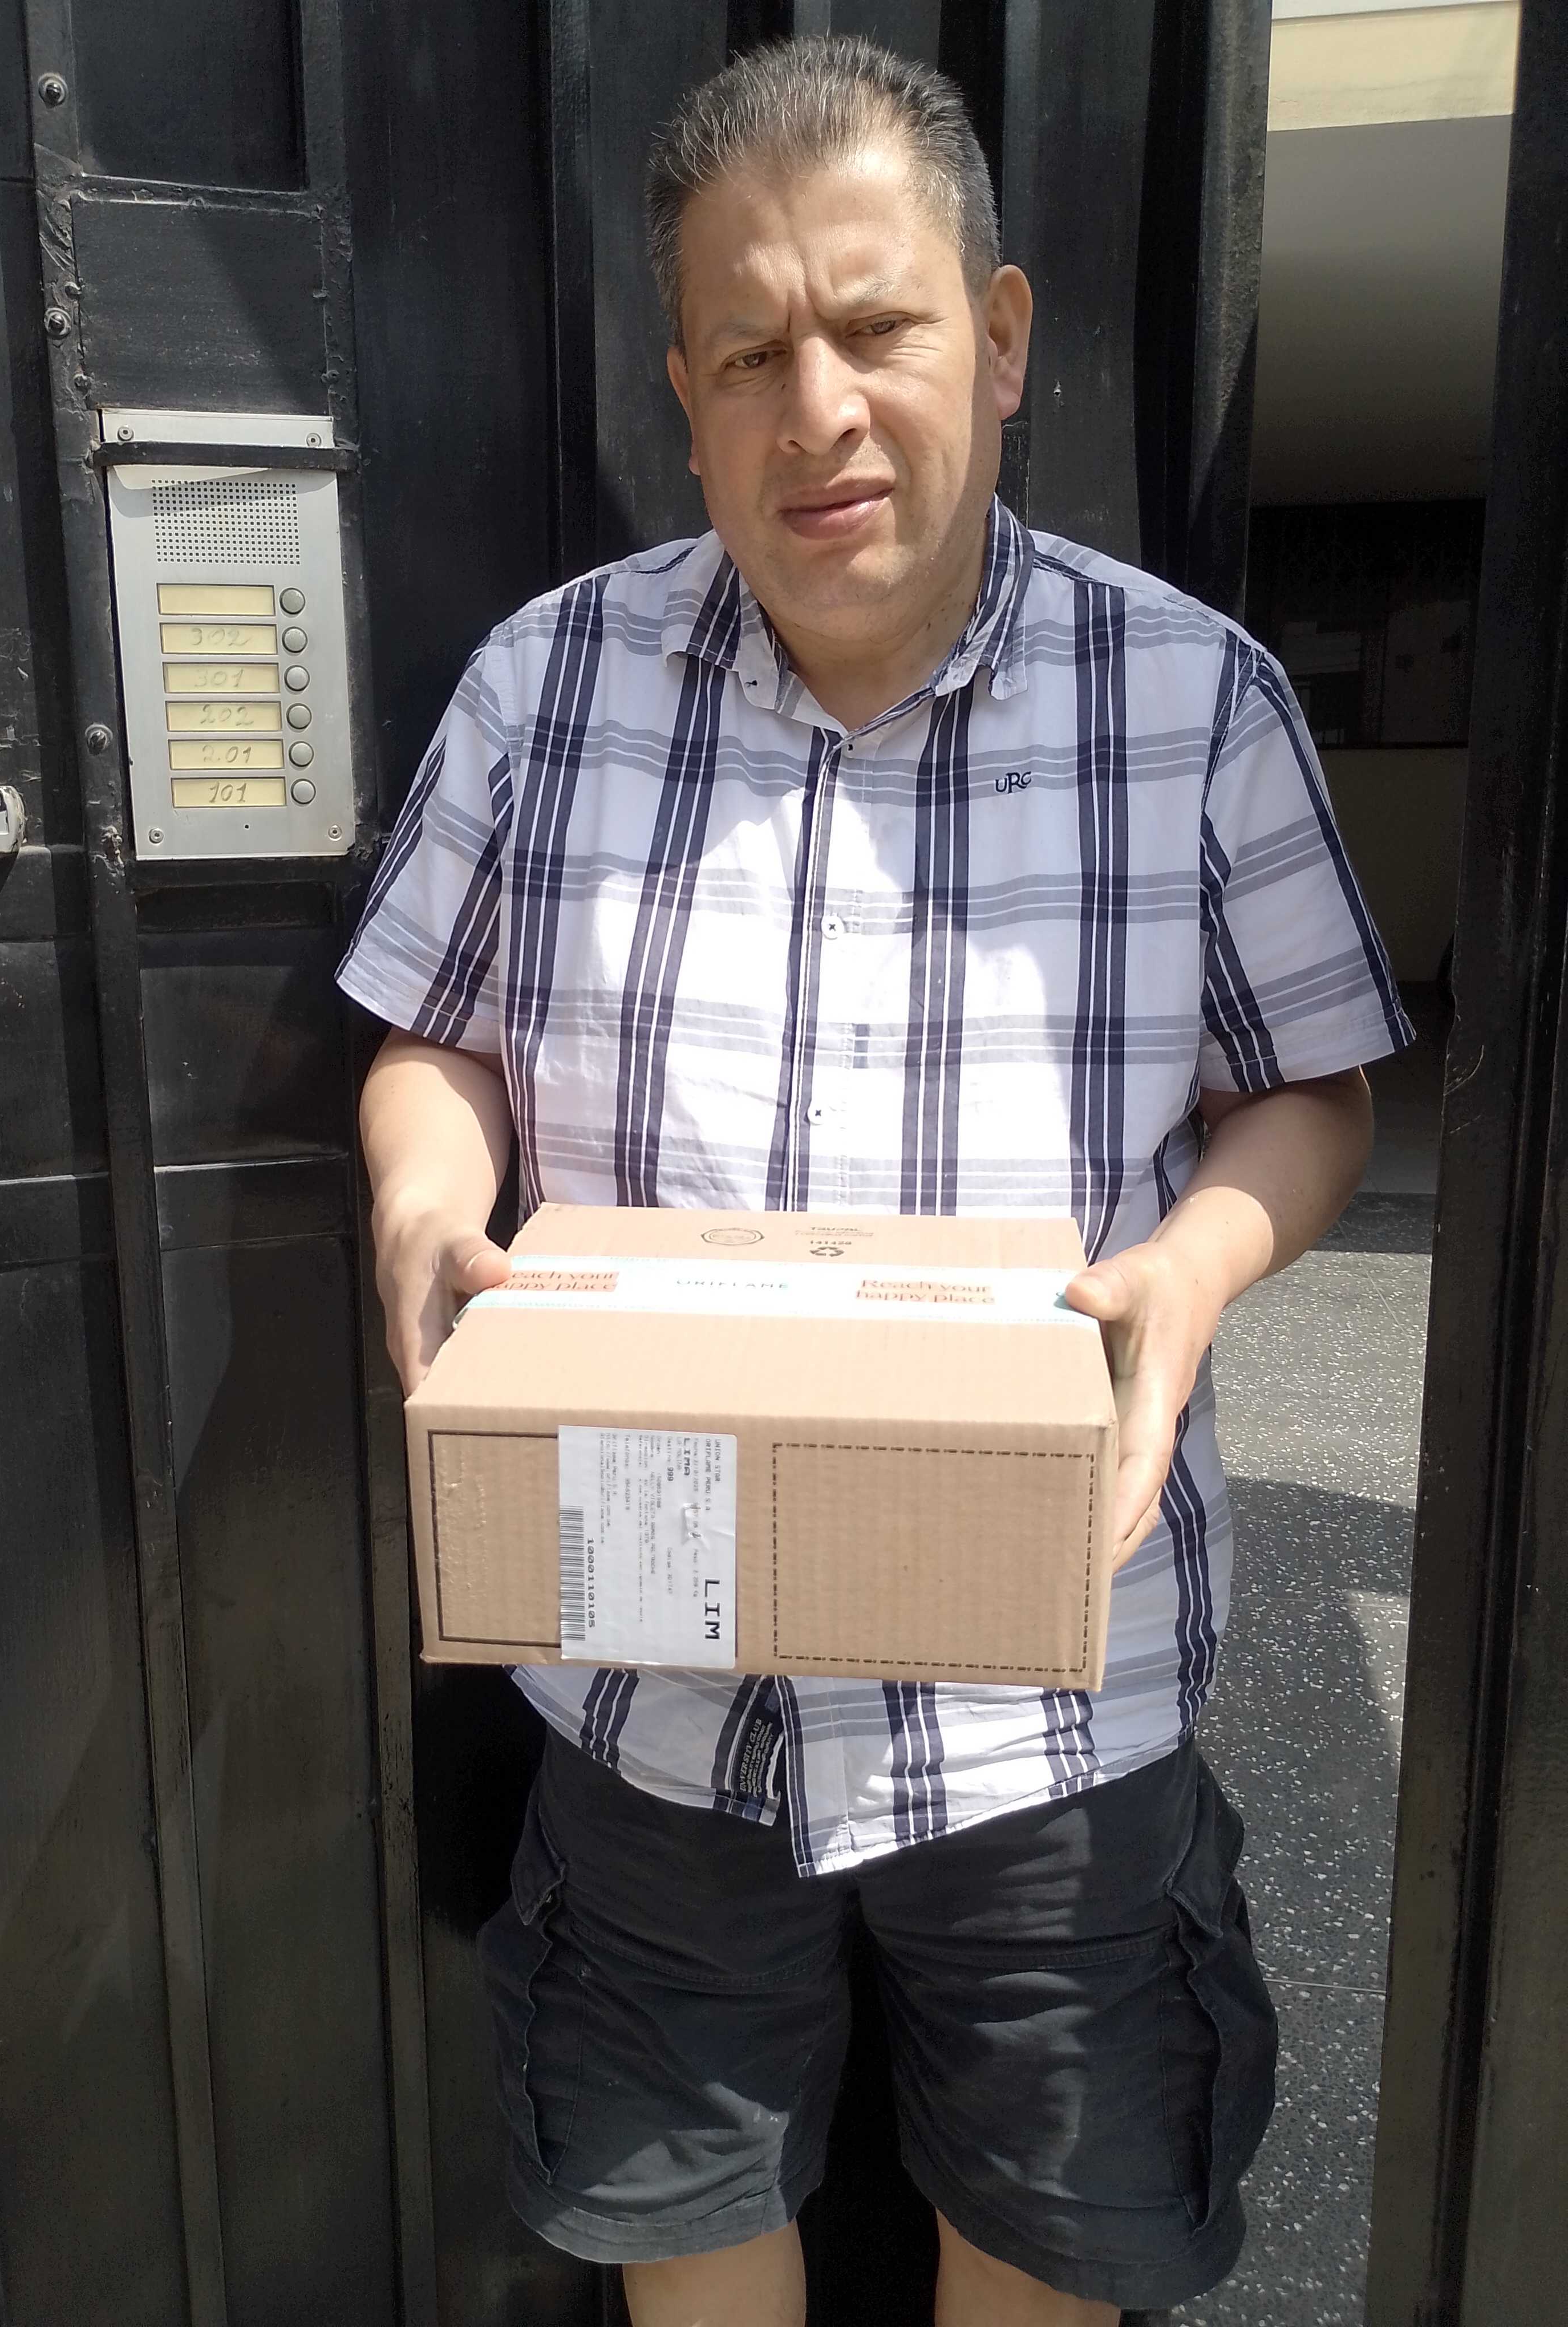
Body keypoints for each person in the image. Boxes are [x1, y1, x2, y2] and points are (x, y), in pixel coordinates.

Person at [339, 36, 1410, 2327]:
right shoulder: (548, 688)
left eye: (875, 326)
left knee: (1049, 2244)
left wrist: (1200, 1260)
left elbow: (1313, 1091)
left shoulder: (1193, 700)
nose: (815, 408)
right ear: (684, 395)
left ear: (999, 339)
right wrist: (428, 1207)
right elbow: (434, 1039)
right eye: (748, 354)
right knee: (682, 2221)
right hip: (652, 1675)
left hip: (1057, 1693)